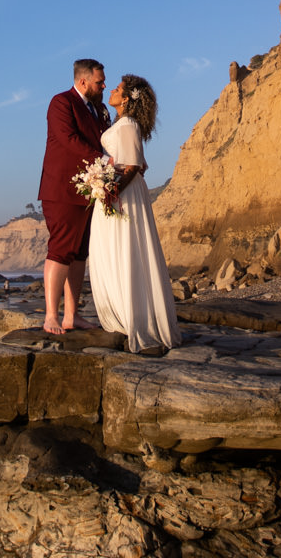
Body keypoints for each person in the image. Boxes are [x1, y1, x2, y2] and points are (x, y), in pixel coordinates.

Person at [87, 73, 181, 352]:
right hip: (121, 189)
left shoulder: (127, 123)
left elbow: (131, 167)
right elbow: (135, 163)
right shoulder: (124, 123)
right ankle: (125, 314)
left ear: (126, 99)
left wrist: (110, 193)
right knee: (118, 250)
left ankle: (130, 318)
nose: (112, 91)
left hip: (123, 194)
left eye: (117, 89)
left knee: (123, 250)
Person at [37, 58, 109, 335]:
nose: (104, 86)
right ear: (83, 82)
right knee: (60, 250)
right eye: (99, 82)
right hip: (62, 190)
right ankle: (51, 316)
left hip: (90, 190)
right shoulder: (61, 103)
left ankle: (72, 315)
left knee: (80, 254)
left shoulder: (100, 109)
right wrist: (103, 160)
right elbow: (68, 139)